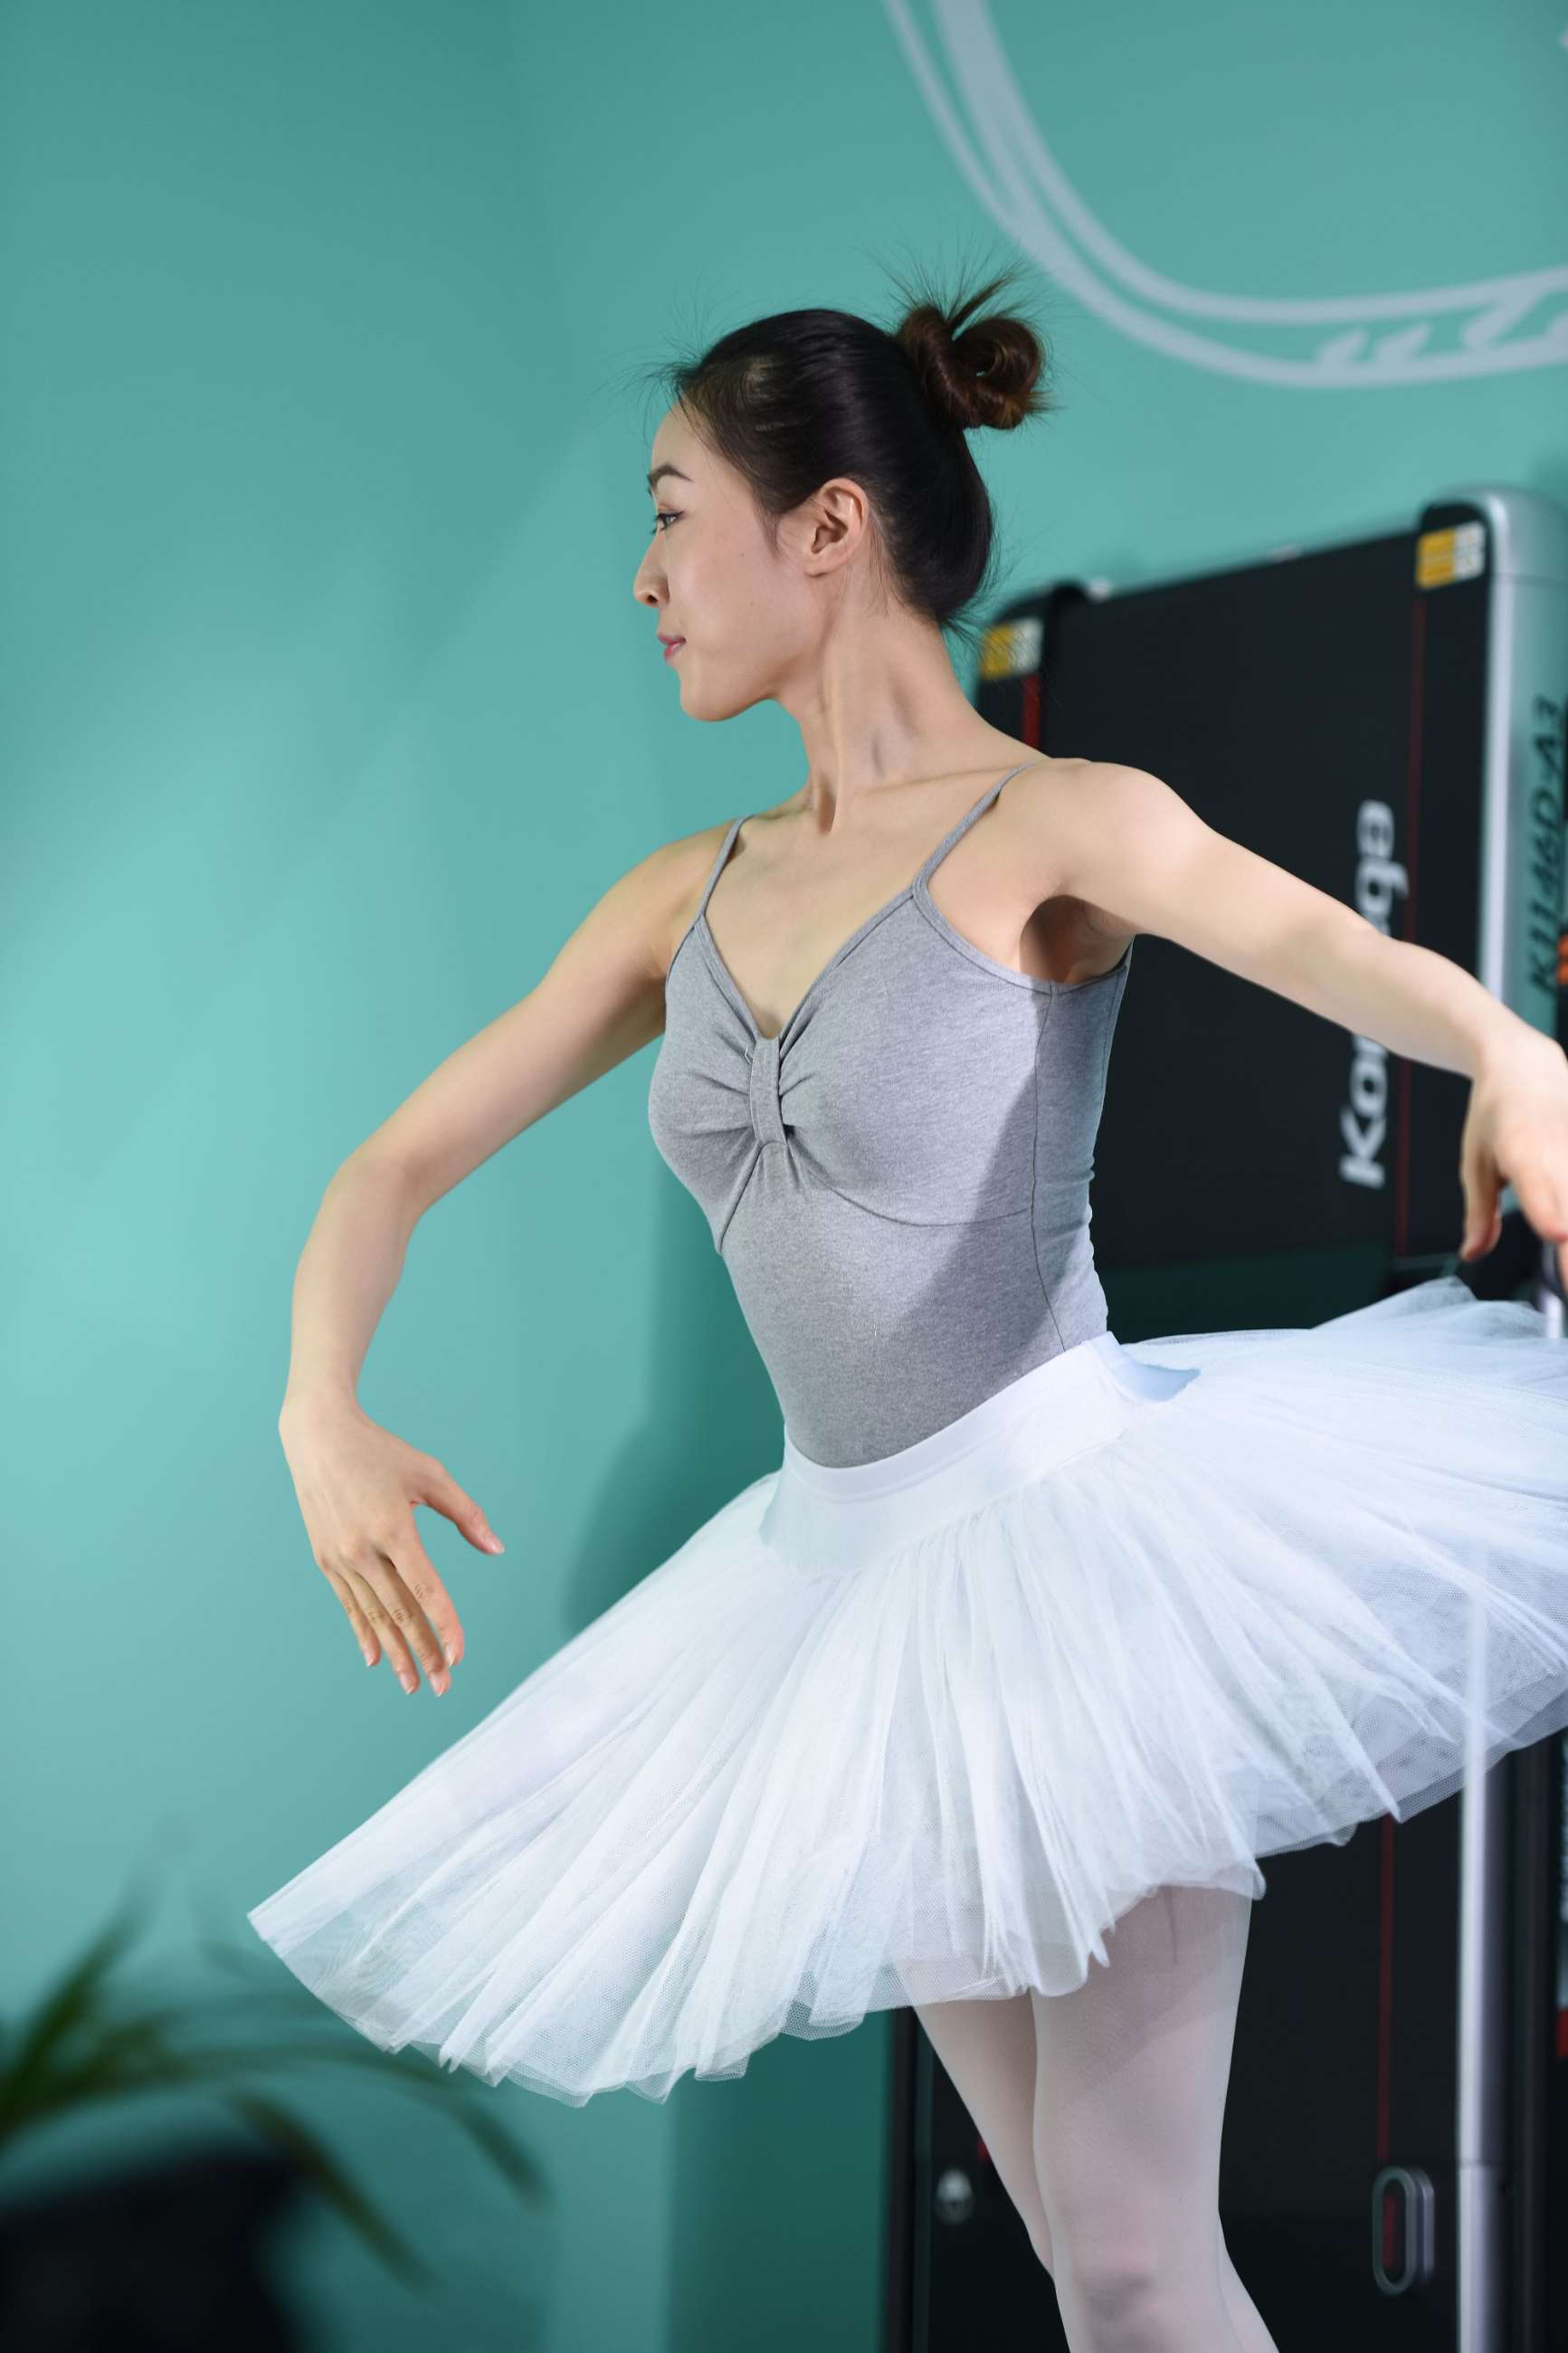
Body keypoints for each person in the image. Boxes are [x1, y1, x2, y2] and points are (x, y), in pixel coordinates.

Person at [247, 263, 1568, 2351]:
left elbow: (1338, 952)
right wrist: (320, 1409)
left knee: (1130, 2252)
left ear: (829, 527)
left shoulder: (1059, 821)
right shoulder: (677, 895)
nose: (643, 578)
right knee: (1079, 2256)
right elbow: (383, 1168)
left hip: (1072, 1555)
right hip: (854, 1604)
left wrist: (1513, 1051)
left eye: (672, 515)